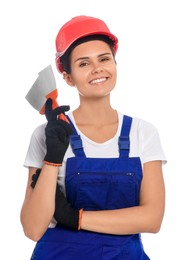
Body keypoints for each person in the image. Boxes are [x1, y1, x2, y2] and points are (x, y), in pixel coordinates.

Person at [20, 15, 167, 260]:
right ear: (68, 77)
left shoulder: (143, 132)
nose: (97, 68)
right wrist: (53, 158)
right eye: (84, 63)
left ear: (115, 64)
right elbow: (33, 228)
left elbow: (152, 219)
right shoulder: (47, 136)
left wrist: (76, 218)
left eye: (104, 58)